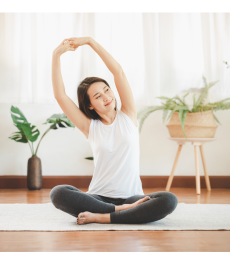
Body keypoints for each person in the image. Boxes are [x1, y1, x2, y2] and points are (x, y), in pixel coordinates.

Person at [48, 37, 177, 225]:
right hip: (98, 198)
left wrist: (90, 42)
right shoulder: (90, 127)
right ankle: (117, 212)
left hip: (132, 198)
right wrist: (56, 54)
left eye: (107, 90)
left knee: (169, 200)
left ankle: (102, 217)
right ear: (90, 106)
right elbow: (60, 96)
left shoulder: (128, 115)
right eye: (98, 96)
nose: (106, 97)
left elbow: (119, 72)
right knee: (58, 193)